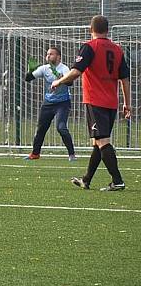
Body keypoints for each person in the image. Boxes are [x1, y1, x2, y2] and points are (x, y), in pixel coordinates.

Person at [51, 15, 131, 192]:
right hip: (111, 102)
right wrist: (127, 103)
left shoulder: (89, 47)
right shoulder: (118, 50)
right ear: (107, 30)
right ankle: (86, 180)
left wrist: (59, 81)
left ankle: (117, 181)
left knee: (102, 141)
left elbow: (75, 72)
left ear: (90, 29)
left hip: (95, 102)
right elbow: (125, 79)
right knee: (97, 142)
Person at [23, 46, 76, 161]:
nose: (48, 56)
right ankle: (35, 154)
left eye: (51, 54)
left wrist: (60, 77)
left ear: (58, 57)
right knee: (41, 129)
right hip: (48, 103)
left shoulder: (64, 68)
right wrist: (30, 71)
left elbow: (70, 82)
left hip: (62, 103)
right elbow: (28, 78)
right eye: (47, 54)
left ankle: (71, 154)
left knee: (61, 127)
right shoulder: (44, 68)